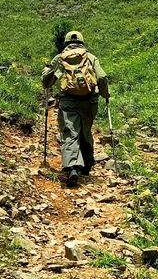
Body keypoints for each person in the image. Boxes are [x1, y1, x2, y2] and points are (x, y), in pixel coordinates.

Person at [42, 30, 109, 187]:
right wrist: (106, 94)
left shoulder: (60, 59)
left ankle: (72, 167)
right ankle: (86, 164)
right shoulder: (90, 57)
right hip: (89, 101)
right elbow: (101, 77)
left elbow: (47, 82)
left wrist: (46, 74)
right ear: (82, 42)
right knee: (85, 130)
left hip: (68, 101)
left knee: (70, 132)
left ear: (66, 43)